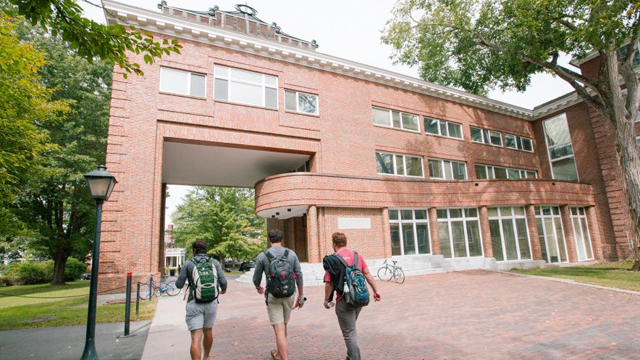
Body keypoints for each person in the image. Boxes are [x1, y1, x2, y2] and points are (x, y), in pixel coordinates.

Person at [323, 232, 381, 360]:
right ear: (345, 242)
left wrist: (327, 299)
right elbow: (368, 274)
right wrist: (376, 291)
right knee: (351, 328)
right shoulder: (357, 256)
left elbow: (329, 283)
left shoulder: (332, 259)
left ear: (334, 244)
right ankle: (350, 357)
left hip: (344, 301)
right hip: (359, 299)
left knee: (349, 333)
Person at [253, 229, 304, 360]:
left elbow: (256, 278)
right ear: (281, 239)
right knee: (283, 326)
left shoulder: (263, 256)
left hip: (273, 295)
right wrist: (300, 296)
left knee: (279, 329)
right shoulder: (291, 254)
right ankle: (278, 354)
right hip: (289, 294)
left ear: (269, 239)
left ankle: (284, 358)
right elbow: (299, 275)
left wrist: (259, 287)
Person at [176, 240, 227, 360]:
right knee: (208, 331)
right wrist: (223, 290)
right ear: (206, 250)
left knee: (195, 337)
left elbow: (179, 284)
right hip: (211, 303)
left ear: (194, 250)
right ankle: (206, 356)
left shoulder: (188, 263)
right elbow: (223, 282)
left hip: (194, 302)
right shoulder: (214, 262)